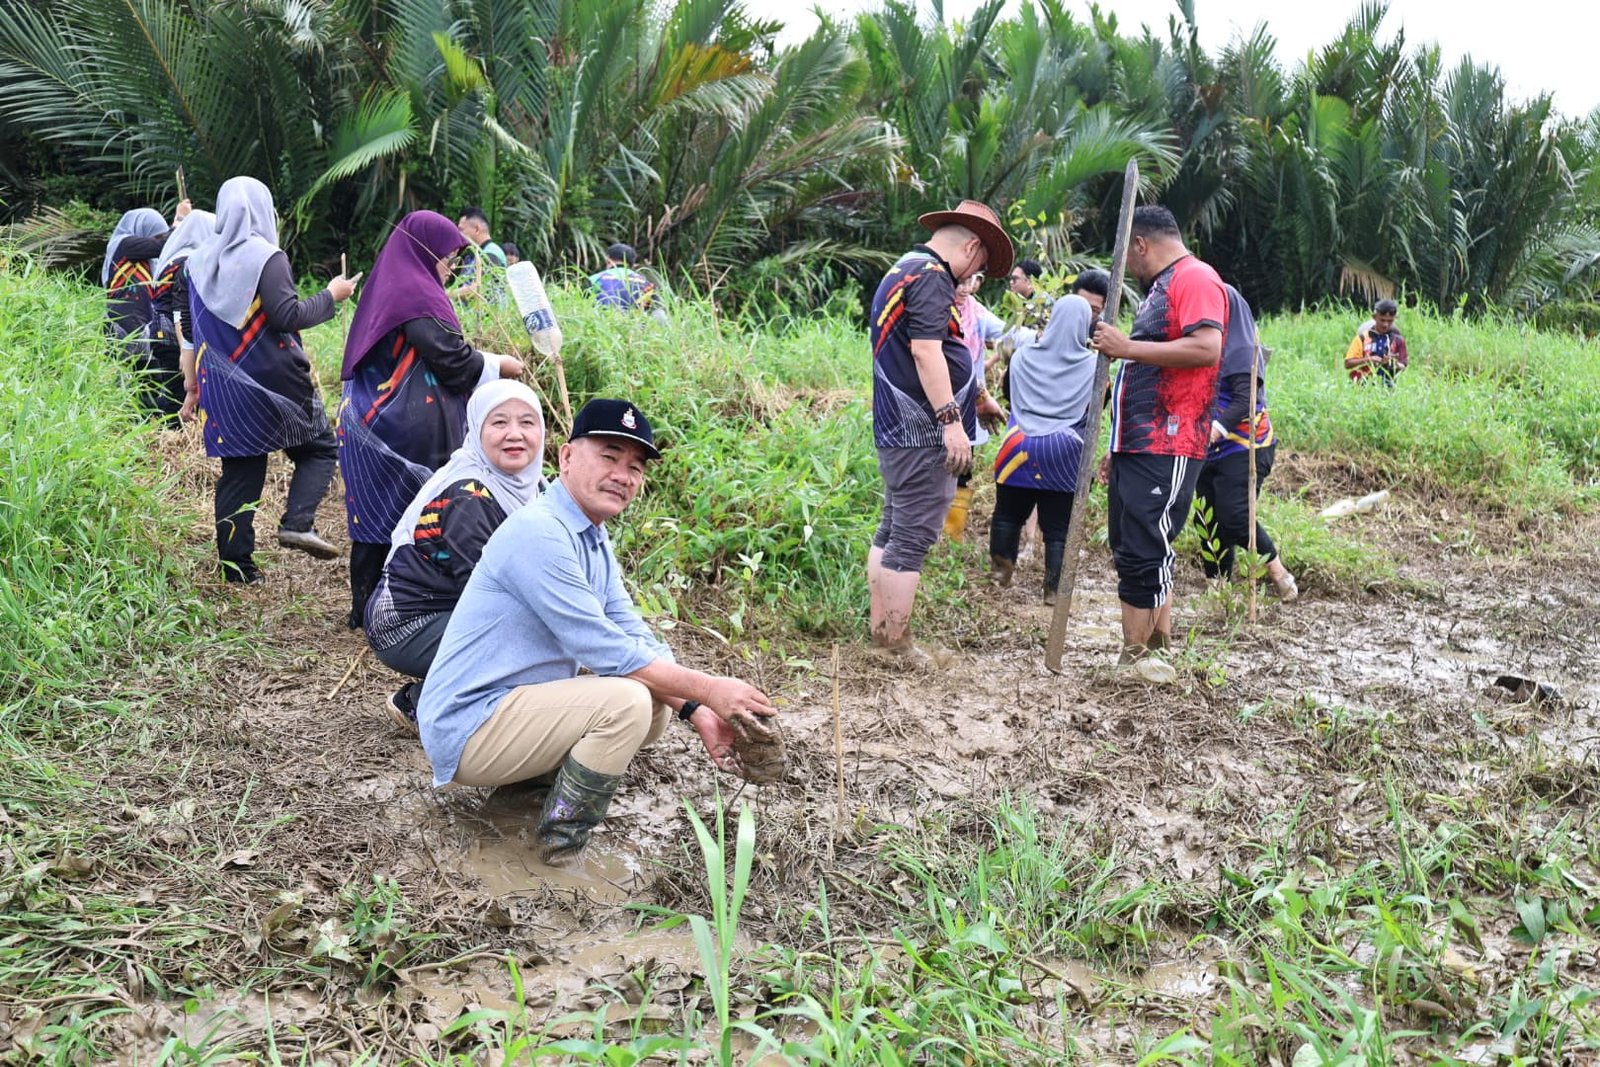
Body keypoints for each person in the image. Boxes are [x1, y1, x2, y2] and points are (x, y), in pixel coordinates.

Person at [417, 399, 778, 865]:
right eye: (609, 457)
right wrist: (710, 690)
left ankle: (520, 802)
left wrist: (696, 711)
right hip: (469, 724)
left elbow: (628, 629)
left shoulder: (589, 535)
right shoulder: (540, 532)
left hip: (510, 710)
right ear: (566, 457)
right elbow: (601, 646)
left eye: (634, 467)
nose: (623, 475)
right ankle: (559, 851)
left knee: (652, 705)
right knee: (625, 701)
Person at [338, 211, 524, 628]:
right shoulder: (414, 292)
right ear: (426, 251)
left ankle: (370, 609)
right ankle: (376, 613)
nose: (452, 267)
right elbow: (450, 358)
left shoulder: (396, 282)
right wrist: (499, 364)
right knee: (393, 514)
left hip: (380, 418)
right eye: (448, 257)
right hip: (394, 427)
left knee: (380, 514)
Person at [187, 176, 361, 584]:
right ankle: (297, 521)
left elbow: (193, 328)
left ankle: (238, 568)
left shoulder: (197, 260)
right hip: (274, 380)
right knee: (319, 448)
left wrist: (193, 384)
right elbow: (287, 317)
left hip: (222, 382)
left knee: (240, 471)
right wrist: (332, 295)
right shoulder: (267, 257)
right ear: (263, 210)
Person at [868, 199, 1013, 663]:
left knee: (892, 530)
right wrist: (952, 423)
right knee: (910, 538)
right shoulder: (931, 277)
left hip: (899, 427)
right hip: (922, 431)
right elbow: (927, 352)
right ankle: (895, 644)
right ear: (971, 246)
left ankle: (881, 632)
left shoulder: (903, 269)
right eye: (982, 266)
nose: (975, 277)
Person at [1090, 205, 1225, 678]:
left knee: (1146, 546)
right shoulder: (1160, 289)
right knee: (1135, 542)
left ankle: (1137, 657)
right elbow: (1140, 371)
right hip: (1138, 442)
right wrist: (1116, 444)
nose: (1127, 266)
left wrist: (1125, 346)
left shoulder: (1195, 278)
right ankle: (1158, 645)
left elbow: (1207, 348)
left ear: (1141, 244)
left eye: (1127, 256)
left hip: (1168, 440)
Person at [368, 380, 546, 731]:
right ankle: (425, 703)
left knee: (539, 634)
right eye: (499, 423)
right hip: (407, 624)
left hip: (448, 612)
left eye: (527, 422)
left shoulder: (536, 486)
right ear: (476, 430)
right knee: (531, 641)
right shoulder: (470, 497)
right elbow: (486, 596)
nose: (515, 434)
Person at [988, 295, 1098, 604]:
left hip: (1017, 444)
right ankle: (1053, 590)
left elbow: (1008, 393)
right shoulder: (1093, 365)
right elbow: (1096, 408)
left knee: (1008, 515)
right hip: (1064, 449)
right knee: (1059, 529)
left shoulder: (1021, 356)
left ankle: (1000, 574)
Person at [1193, 284, 1298, 601]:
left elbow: (1245, 401)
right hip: (1206, 445)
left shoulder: (1240, 348)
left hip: (1244, 444)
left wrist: (1215, 429)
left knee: (1235, 516)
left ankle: (1278, 572)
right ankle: (1218, 585)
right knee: (1206, 515)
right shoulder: (1202, 343)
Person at [104, 202, 190, 416]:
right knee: (127, 383)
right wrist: (180, 221)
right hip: (122, 328)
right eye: (154, 235)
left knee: (148, 383)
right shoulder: (125, 245)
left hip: (141, 328)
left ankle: (146, 429)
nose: (156, 240)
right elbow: (164, 244)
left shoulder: (142, 258)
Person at [943, 271, 1007, 541]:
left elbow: (1008, 334)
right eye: (960, 281)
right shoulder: (937, 310)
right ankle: (932, 529)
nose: (965, 288)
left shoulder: (977, 313)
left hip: (970, 403)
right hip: (940, 400)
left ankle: (951, 533)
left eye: (971, 282)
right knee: (936, 464)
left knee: (962, 467)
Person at [141, 208, 213, 423]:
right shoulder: (188, 262)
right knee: (178, 395)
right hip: (176, 337)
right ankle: (174, 435)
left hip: (160, 334)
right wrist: (185, 348)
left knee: (171, 387)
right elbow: (182, 310)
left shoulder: (172, 257)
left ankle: (165, 430)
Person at [1344, 298, 1409, 384]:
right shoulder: (1362, 337)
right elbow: (1348, 363)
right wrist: (1369, 360)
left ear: (1395, 318)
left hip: (1388, 387)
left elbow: (1403, 365)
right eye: (1382, 320)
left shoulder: (1398, 340)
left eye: (1390, 321)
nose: (1385, 324)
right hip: (1361, 385)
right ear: (1374, 317)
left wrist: (1395, 364)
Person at [589, 243, 661, 315]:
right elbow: (655, 311)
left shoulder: (595, 279)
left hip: (602, 323)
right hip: (634, 324)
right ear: (633, 264)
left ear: (608, 260)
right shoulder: (646, 284)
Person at [453, 207, 507, 300]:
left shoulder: (491, 254)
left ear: (477, 229)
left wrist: (445, 295)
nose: (459, 234)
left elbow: (476, 290)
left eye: (461, 230)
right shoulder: (472, 255)